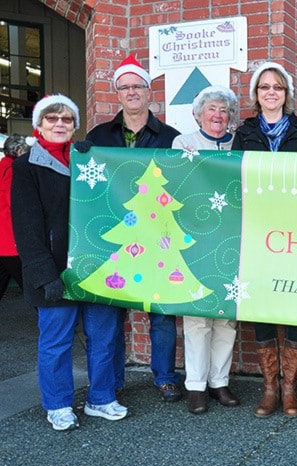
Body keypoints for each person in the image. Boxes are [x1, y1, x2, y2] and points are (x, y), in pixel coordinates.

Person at [11, 95, 128, 430]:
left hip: (97, 267)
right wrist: (44, 273)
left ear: (75, 125)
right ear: (39, 125)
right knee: (56, 341)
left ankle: (101, 397)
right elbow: (27, 226)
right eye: (52, 118)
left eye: (66, 119)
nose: (59, 124)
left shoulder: (89, 160)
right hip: (54, 271)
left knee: (104, 336)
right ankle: (59, 404)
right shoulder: (27, 166)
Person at [84, 55, 183, 403]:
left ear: (148, 90)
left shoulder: (171, 137)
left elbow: (180, 184)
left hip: (157, 237)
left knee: (162, 314)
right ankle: (113, 380)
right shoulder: (98, 136)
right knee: (112, 311)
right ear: (118, 94)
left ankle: (165, 377)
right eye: (124, 87)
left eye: (137, 86)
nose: (131, 92)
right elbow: (88, 186)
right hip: (116, 236)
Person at [232, 61, 297, 417]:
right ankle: (269, 388)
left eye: (278, 87)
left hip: (295, 232)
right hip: (257, 232)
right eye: (264, 87)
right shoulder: (245, 131)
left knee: (295, 304)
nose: (271, 92)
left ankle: (290, 391)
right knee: (264, 306)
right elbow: (233, 177)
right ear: (256, 94)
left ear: (286, 94)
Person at [172, 85, 240, 414]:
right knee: (198, 316)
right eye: (211, 109)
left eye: (224, 111)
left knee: (226, 316)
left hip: (232, 238)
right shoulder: (183, 143)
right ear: (199, 114)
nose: (218, 115)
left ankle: (220, 382)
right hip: (196, 238)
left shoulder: (237, 145)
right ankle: (196, 385)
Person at [0, 134, 29, 301]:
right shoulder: (13, 171)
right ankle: (54, 323)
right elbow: (17, 204)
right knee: (31, 285)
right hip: (11, 241)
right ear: (19, 151)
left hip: (3, 241)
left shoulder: (2, 167)